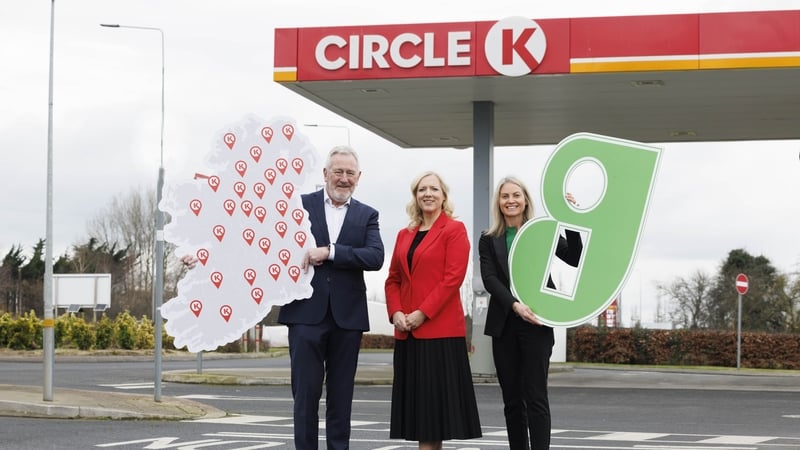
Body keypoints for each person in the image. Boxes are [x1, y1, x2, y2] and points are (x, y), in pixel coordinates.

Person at [277, 145, 385, 450]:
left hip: (347, 318)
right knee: (305, 396)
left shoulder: (368, 215)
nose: (344, 178)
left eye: (350, 173)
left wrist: (331, 252)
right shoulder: (298, 206)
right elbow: (266, 243)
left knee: (341, 397)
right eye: (338, 171)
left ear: (358, 177)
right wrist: (206, 258)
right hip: (304, 314)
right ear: (325, 174)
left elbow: (375, 256)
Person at [478, 176, 581, 450]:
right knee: (512, 401)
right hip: (504, 325)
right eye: (504, 196)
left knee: (536, 398)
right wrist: (514, 305)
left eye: (516, 195)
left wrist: (570, 217)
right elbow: (489, 279)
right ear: (498, 203)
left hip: (537, 324)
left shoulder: (542, 233)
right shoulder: (488, 239)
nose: (510, 200)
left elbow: (573, 257)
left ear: (525, 200)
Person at [384, 171, 482, 450]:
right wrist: (396, 312)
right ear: (415, 196)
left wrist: (421, 313)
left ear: (443, 196)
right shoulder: (404, 235)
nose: (428, 193)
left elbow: (452, 279)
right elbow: (393, 279)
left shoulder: (454, 230)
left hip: (438, 335)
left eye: (434, 189)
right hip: (407, 335)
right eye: (422, 189)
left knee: (432, 420)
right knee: (420, 421)